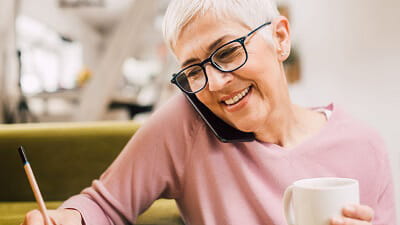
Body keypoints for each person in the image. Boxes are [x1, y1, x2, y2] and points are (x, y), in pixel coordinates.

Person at [22, 0, 396, 224]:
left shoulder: (364, 146)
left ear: (280, 38)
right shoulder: (187, 123)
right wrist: (65, 219)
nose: (214, 84)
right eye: (193, 70)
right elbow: (104, 205)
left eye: (228, 51)